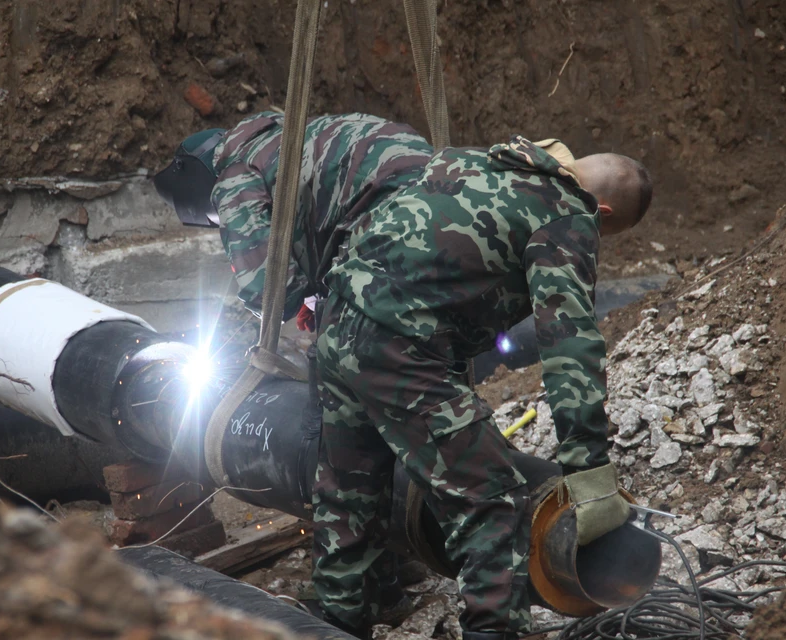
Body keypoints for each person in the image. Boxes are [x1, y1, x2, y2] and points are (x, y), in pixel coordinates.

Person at [155, 112, 653, 640]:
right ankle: (494, 631)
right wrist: (590, 479)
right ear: (599, 210)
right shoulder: (567, 216)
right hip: (402, 348)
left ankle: (340, 619)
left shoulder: (479, 159)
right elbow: (570, 349)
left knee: (348, 487)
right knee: (490, 498)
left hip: (340, 323)